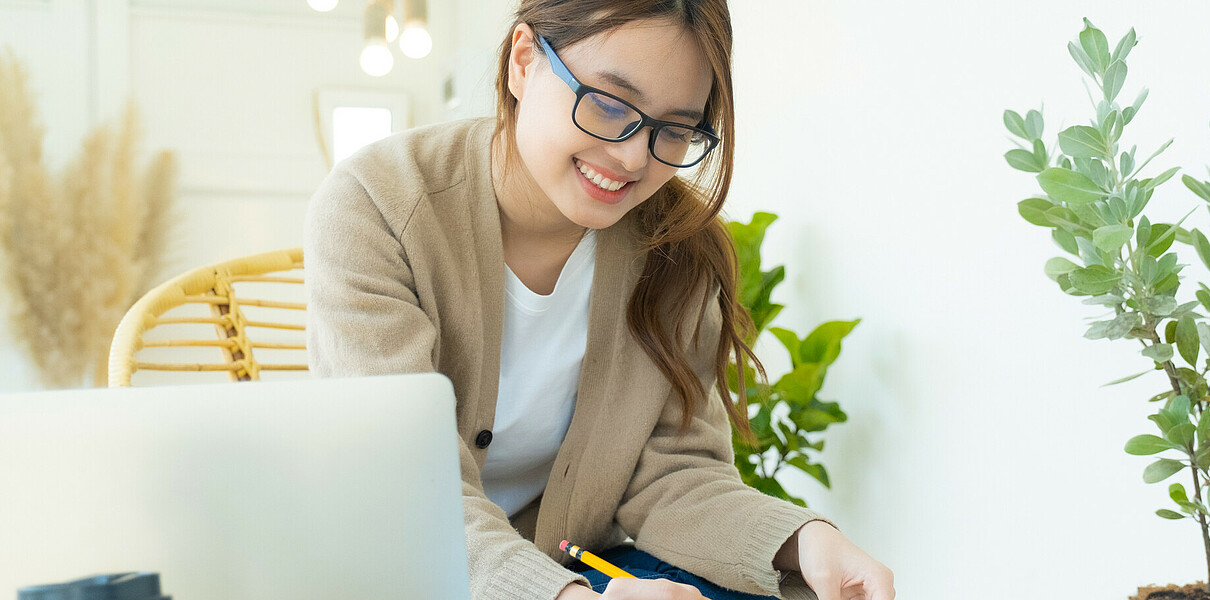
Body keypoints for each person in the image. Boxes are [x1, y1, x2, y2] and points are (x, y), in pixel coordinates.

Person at [303, 1, 895, 599]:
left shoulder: (675, 249)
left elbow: (672, 472)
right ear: (523, 61)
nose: (635, 157)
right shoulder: (375, 205)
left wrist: (803, 539)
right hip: (404, 572)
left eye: (675, 129)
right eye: (610, 105)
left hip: (584, 569)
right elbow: (405, 489)